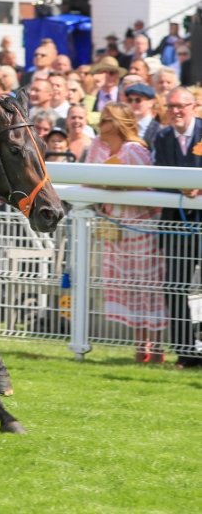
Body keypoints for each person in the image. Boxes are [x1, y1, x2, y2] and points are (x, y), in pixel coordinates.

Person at [85, 102, 167, 363]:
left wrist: (122, 187)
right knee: (127, 286)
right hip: (113, 226)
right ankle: (140, 345)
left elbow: (152, 188)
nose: (102, 124)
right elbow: (85, 178)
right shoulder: (97, 146)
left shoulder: (134, 150)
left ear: (120, 123)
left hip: (140, 225)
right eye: (101, 118)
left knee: (148, 286)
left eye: (107, 119)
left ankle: (156, 348)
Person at [153, 87, 202, 369]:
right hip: (175, 224)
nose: (175, 111)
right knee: (175, 286)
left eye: (180, 106)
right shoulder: (162, 137)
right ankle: (186, 353)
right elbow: (157, 176)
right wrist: (180, 187)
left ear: (193, 106)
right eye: (171, 106)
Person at [124, 83, 161, 149]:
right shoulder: (123, 127)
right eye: (130, 100)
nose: (133, 104)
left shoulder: (159, 130)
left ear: (151, 103)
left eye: (138, 100)